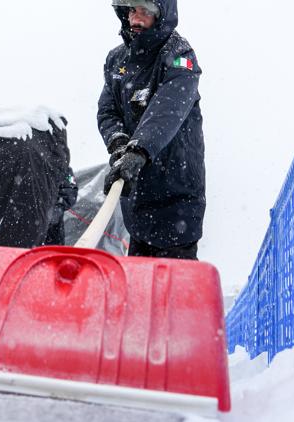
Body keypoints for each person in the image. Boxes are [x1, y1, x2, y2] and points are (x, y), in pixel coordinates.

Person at [98, 0, 206, 260]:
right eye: (132, 10)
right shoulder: (116, 60)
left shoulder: (180, 57)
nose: (136, 18)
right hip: (137, 202)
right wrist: (119, 144)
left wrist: (139, 150)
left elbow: (167, 111)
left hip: (177, 199)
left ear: (162, 15)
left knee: (173, 290)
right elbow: (107, 110)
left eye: (145, 11)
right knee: (138, 290)